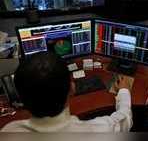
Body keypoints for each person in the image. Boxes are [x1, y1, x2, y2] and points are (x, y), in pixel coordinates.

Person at [1, 52, 132, 132]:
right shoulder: (101, 130)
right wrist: (124, 90)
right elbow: (125, 118)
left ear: (20, 97)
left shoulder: (8, 131)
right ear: (72, 88)